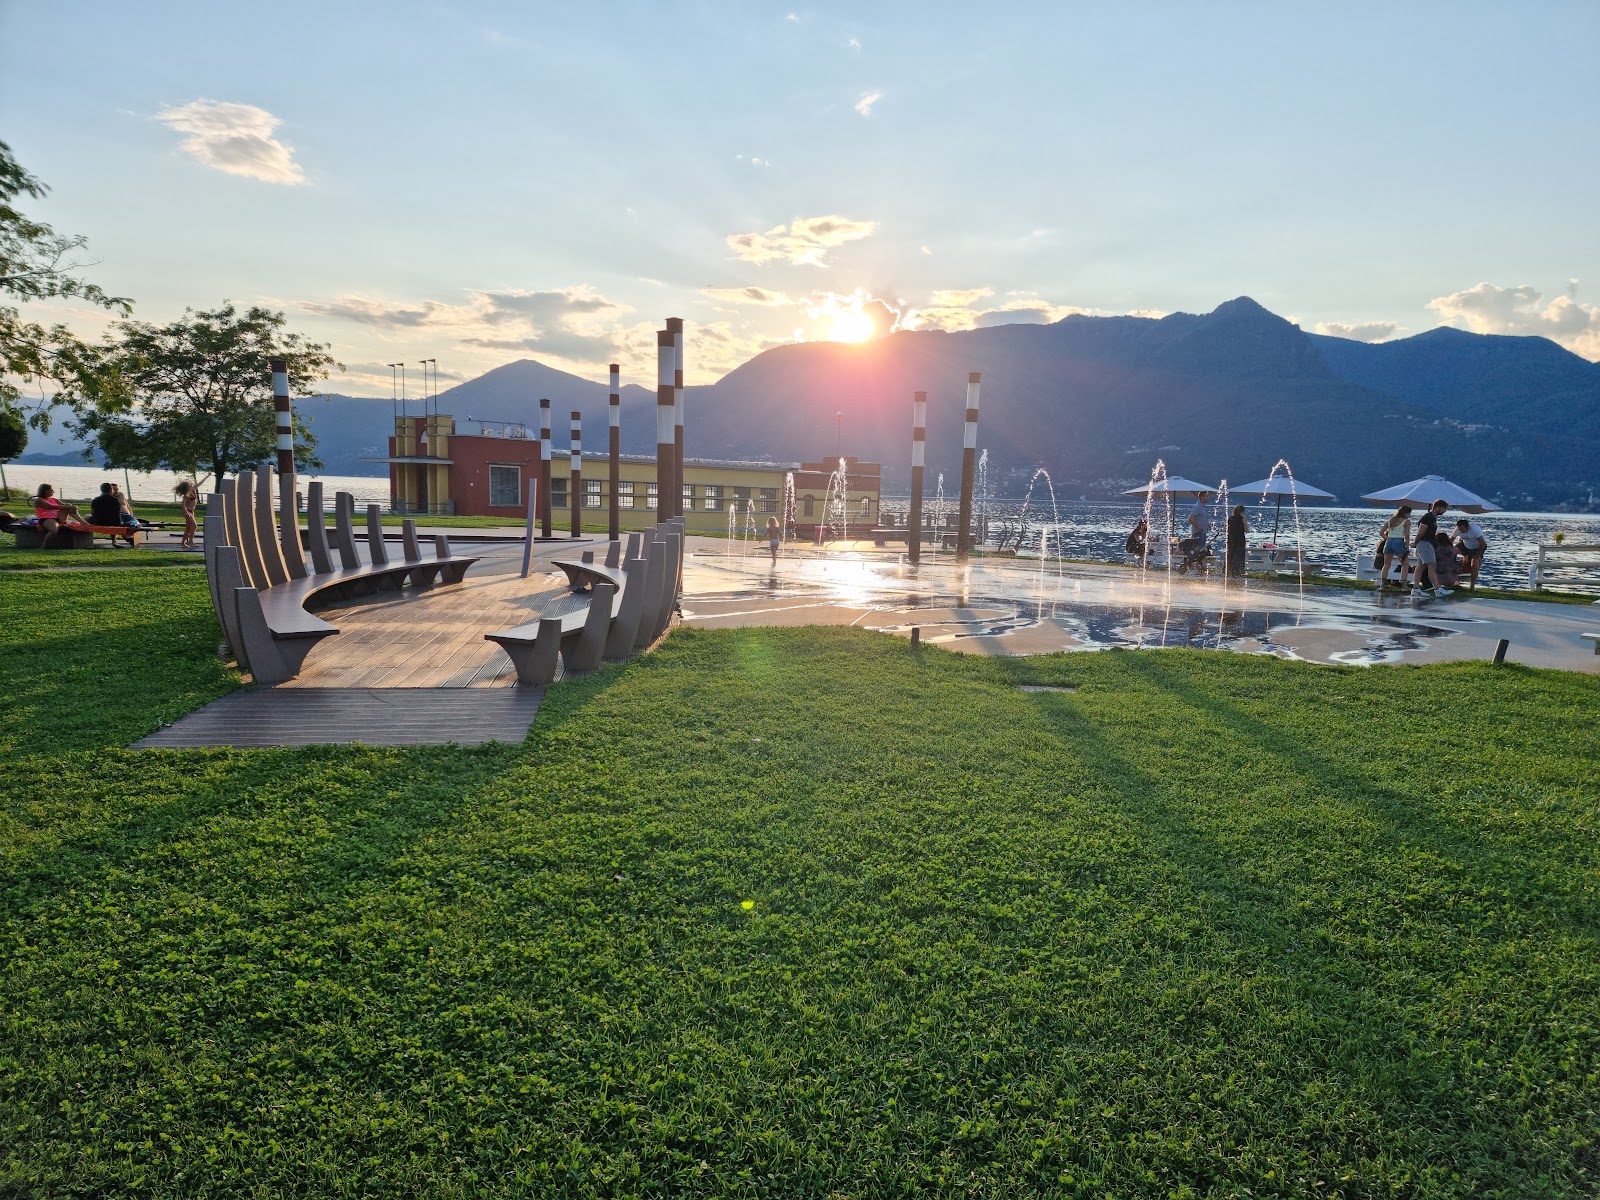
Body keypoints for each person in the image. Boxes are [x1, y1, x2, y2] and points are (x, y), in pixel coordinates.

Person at [1411, 498, 1452, 599]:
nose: (1444, 511)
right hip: (1425, 543)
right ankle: (1437, 589)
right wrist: (1416, 543)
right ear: (1438, 507)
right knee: (1432, 565)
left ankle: (1415, 589)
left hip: (1427, 543)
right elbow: (1421, 532)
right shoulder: (1428, 517)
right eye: (1444, 509)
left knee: (1421, 567)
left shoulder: (1432, 518)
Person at [32, 483, 85, 548]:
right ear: (46, 491)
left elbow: (65, 506)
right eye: (51, 490)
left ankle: (83, 522)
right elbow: (51, 506)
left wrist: (72, 507)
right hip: (47, 519)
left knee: (68, 507)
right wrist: (69, 506)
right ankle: (44, 545)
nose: (53, 492)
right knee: (54, 530)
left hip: (59, 518)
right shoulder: (39, 500)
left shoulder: (54, 499)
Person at [1377, 505, 1412, 590]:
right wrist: (1407, 547)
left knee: (1386, 564)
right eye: (1409, 513)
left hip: (1389, 542)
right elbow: (1407, 536)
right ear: (1406, 513)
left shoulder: (1391, 520)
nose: (1409, 515)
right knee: (1405, 564)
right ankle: (1404, 585)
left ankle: (1382, 585)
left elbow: (1381, 532)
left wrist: (1388, 539)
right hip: (1399, 541)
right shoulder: (1406, 522)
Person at [1453, 518, 1488, 592]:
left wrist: (1477, 556)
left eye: (1463, 530)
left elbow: (1483, 544)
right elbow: (1451, 540)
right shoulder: (1457, 530)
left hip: (1477, 547)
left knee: (1475, 564)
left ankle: (1472, 586)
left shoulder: (1475, 530)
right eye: (1460, 530)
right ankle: (1454, 580)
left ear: (1467, 527)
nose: (1461, 532)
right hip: (1465, 545)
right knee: (1452, 551)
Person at [175, 479, 199, 549]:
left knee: (188, 528)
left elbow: (198, 484)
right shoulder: (186, 495)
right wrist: (186, 512)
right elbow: (183, 504)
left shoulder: (192, 491)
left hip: (191, 511)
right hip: (187, 511)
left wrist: (207, 476)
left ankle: (183, 543)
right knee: (194, 525)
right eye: (190, 485)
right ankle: (190, 541)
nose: (191, 485)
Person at [1225, 504, 1248, 577]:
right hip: (1240, 539)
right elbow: (1246, 529)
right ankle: (1237, 571)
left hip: (1231, 539)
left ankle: (1228, 570)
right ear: (1242, 512)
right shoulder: (1242, 518)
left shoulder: (1230, 518)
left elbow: (1225, 529)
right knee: (1239, 556)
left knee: (1230, 555)